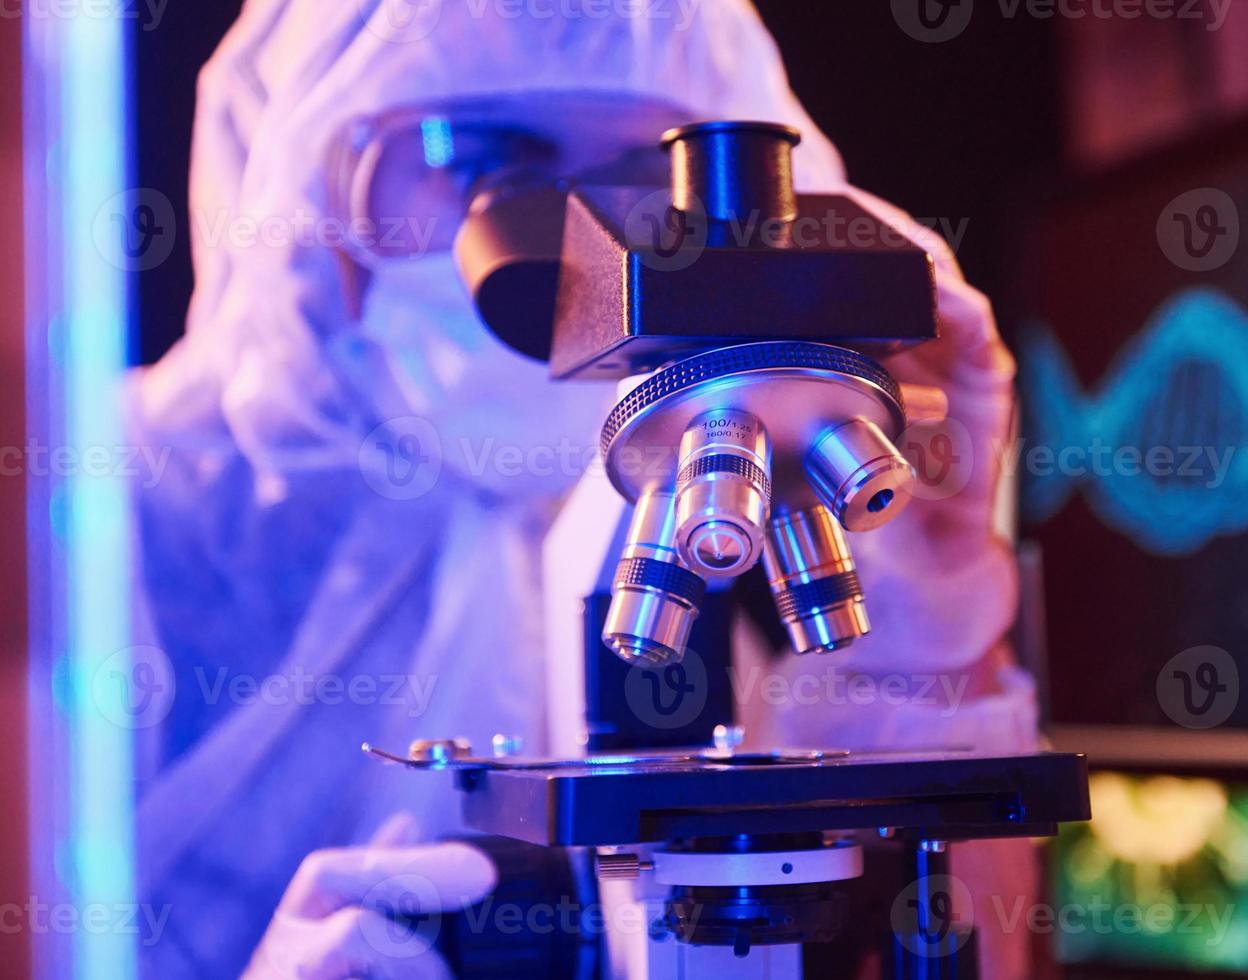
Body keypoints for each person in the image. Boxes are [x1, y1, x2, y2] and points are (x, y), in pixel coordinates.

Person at [125, 0, 1040, 975]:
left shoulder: (696, 494)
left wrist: (932, 623)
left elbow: (940, 932)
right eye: (491, 162)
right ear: (310, 168)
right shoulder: (88, 518)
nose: (577, 239)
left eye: (649, 176)